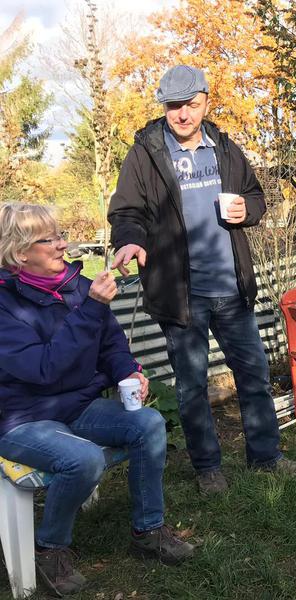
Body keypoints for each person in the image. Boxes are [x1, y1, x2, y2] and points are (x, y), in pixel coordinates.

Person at [108, 65, 296, 494]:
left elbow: (255, 195)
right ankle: (207, 468)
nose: (183, 114)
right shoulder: (146, 154)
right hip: (181, 294)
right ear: (164, 106)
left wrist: (248, 211)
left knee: (254, 375)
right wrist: (129, 240)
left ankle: (266, 457)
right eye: (174, 106)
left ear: (205, 102)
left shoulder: (224, 147)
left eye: (192, 105)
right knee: (192, 386)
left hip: (231, 287)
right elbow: (126, 211)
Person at [0, 203, 194, 597]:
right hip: (23, 418)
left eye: (60, 235)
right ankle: (50, 548)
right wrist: (91, 307)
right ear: (20, 253)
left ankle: (148, 530)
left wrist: (129, 372)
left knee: (149, 424)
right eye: (50, 239)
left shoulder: (76, 285)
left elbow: (111, 343)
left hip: (77, 406)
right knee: (83, 459)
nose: (63, 245)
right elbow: (44, 368)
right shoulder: (6, 304)